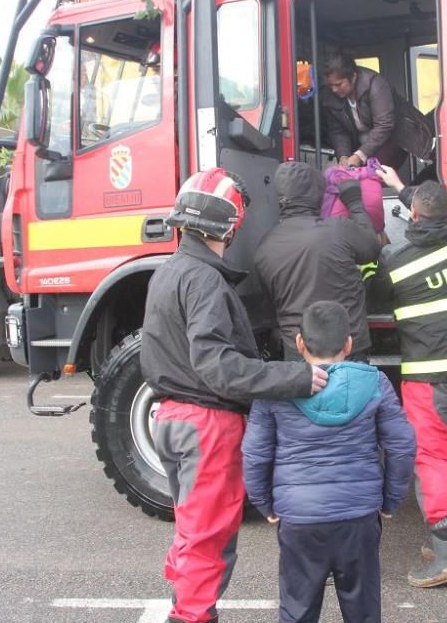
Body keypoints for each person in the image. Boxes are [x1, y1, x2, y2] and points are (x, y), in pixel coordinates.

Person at [140, 167, 329, 623]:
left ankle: (184, 603)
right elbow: (219, 369)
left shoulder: (168, 273)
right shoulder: (204, 280)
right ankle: (190, 615)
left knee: (191, 529)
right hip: (206, 424)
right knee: (210, 536)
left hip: (170, 419)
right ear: (231, 225)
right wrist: (298, 377)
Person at [242, 300, 416, 623]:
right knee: (363, 612)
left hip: (299, 517)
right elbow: (402, 446)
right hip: (359, 516)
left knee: (297, 611)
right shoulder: (374, 383)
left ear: (299, 344)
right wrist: (389, 502)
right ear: (349, 344)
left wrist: (265, 504)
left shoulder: (275, 388)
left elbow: (255, 455)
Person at [376, 166, 447, 588]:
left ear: (413, 216)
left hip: (430, 375)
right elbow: (443, 218)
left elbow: (374, 286)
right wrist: (404, 190)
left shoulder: (397, 260)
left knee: (431, 459)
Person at [255, 162, 381, 362]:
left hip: (298, 352)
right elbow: (372, 249)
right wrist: (354, 201)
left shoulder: (264, 247)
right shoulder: (338, 229)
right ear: (318, 196)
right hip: (346, 349)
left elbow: (271, 305)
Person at [320, 53, 433, 170]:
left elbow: (384, 125)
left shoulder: (376, 85)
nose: (334, 89)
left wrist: (360, 155)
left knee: (374, 174)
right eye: (330, 85)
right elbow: (338, 130)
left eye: (338, 84)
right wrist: (343, 155)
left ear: (353, 77)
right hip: (365, 141)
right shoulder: (330, 97)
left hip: (395, 137)